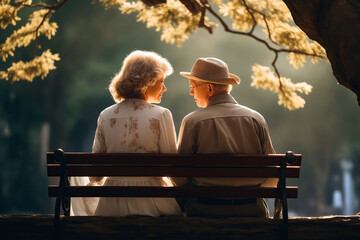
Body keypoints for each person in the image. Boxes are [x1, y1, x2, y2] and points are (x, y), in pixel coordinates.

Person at [71, 50, 182, 217]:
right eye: (161, 81)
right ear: (147, 81)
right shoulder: (161, 115)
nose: (164, 88)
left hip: (112, 200)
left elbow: (96, 174)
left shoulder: (105, 115)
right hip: (151, 199)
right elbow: (171, 166)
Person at [175, 57, 276, 217]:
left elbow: (179, 177)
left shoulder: (192, 122)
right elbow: (272, 174)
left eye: (193, 86)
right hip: (250, 210)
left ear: (209, 88)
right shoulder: (256, 119)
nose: (191, 92)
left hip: (203, 211)